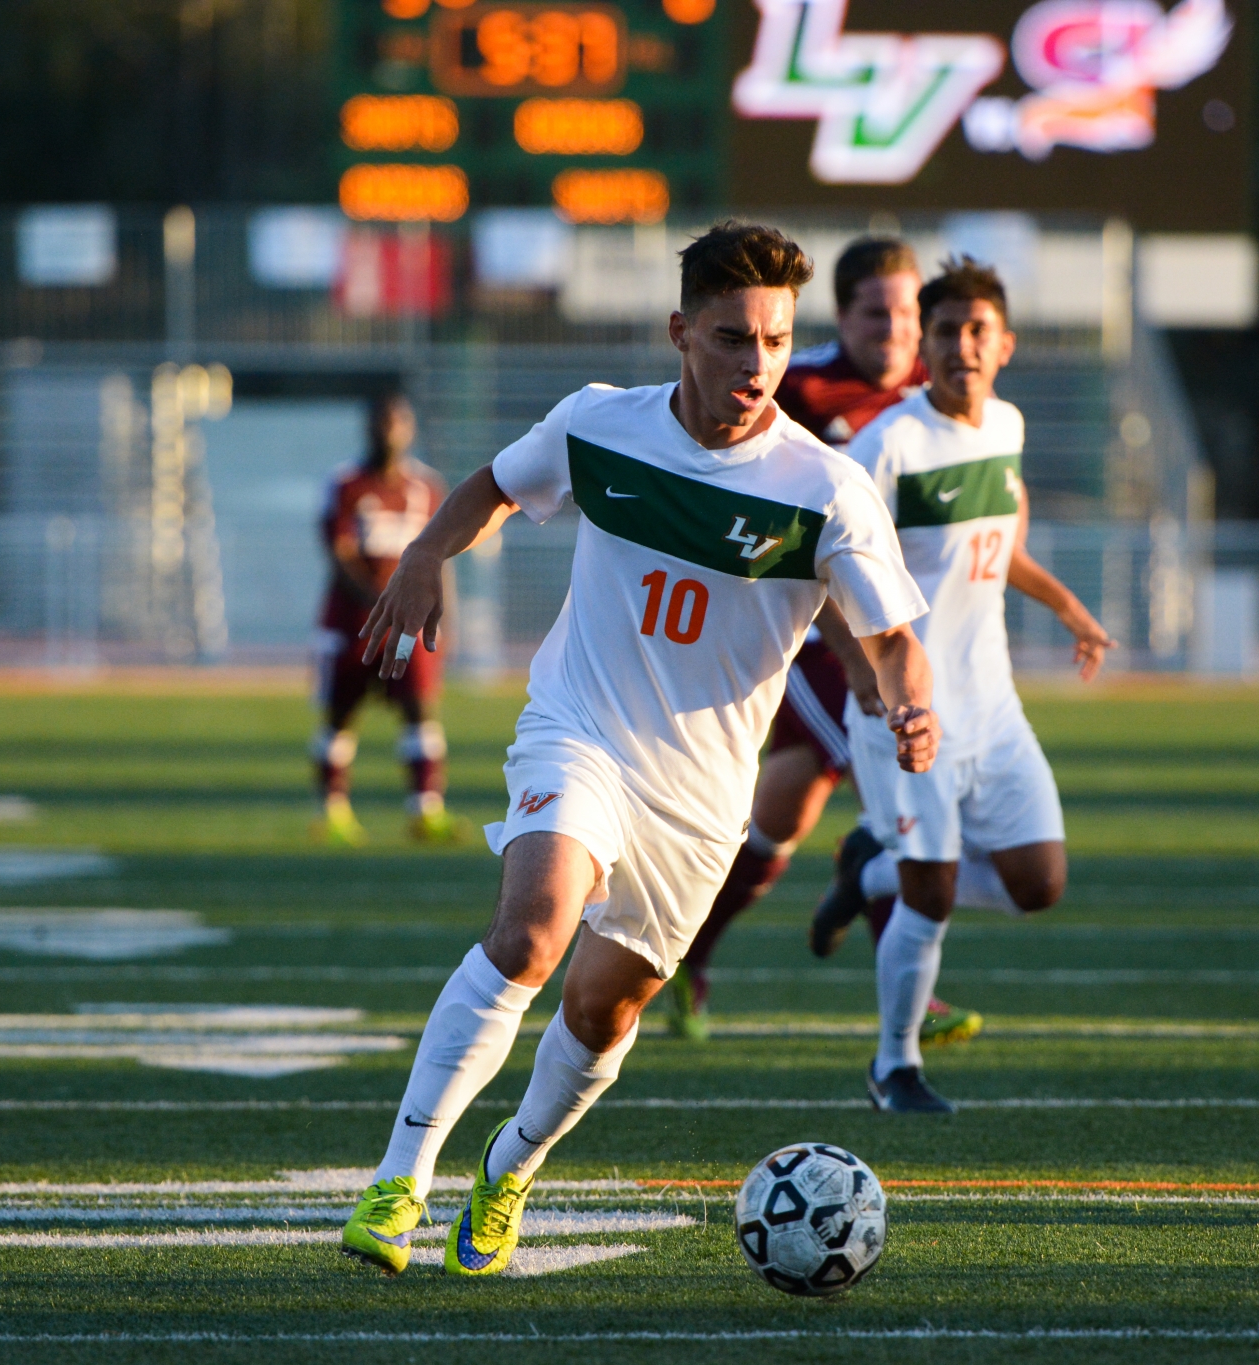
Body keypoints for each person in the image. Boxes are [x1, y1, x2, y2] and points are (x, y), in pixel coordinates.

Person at [338, 221, 938, 1277]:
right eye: (731, 337)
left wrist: (910, 705)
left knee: (601, 1006)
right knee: (531, 931)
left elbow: (890, 638)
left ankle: (509, 1168)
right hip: (580, 730)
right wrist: (428, 550)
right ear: (679, 332)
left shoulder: (823, 488)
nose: (756, 364)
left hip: (700, 797)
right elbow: (493, 485)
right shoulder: (599, 424)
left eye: (774, 341)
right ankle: (400, 1179)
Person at [666, 237, 980, 1048]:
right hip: (814, 632)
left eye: (908, 312)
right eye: (877, 312)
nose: (895, 328)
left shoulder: (937, 394)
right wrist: (847, 645)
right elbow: (758, 518)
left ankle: (683, 953)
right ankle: (908, 991)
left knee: (777, 824)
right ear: (841, 315)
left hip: (903, 635)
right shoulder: (794, 386)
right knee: (889, 791)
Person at [831, 257, 1116, 1114]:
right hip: (911, 713)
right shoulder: (887, 446)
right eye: (947, 329)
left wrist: (1068, 606)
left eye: (978, 329)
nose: (963, 344)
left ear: (1006, 344)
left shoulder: (1007, 427)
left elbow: (998, 549)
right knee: (932, 896)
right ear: (925, 345)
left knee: (1039, 883)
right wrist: (866, 678)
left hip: (992, 706)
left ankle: (870, 870)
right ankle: (895, 1065)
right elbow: (822, 577)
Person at [310, 391, 469, 846]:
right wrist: (381, 601)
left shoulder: (427, 487)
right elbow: (338, 554)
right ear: (369, 426)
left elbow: (441, 557)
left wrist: (445, 616)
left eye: (398, 421)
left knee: (420, 710)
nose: (390, 430)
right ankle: (334, 812)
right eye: (383, 421)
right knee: (341, 715)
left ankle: (425, 810)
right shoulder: (345, 484)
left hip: (408, 627)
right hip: (352, 623)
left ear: (410, 428)